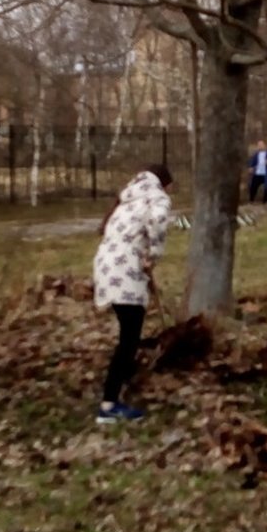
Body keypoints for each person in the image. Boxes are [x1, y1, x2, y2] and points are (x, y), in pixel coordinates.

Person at [93, 164, 173, 423]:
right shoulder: (157, 197)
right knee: (129, 338)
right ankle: (109, 406)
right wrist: (155, 254)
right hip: (125, 270)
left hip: (105, 267)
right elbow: (159, 222)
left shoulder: (129, 197)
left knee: (129, 332)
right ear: (165, 184)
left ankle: (126, 381)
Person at [246, 140, 267, 204]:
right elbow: (251, 163)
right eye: (259, 145)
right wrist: (250, 168)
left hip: (265, 174)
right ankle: (251, 200)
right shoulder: (255, 155)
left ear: (264, 145)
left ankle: (266, 201)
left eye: (261, 145)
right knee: (253, 187)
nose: (260, 146)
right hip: (257, 173)